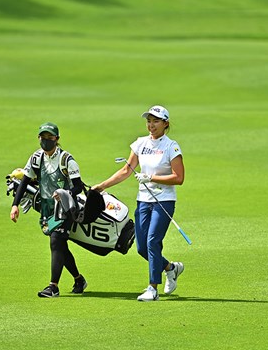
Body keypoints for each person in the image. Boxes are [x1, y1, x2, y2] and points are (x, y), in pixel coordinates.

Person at [92, 105, 185, 301]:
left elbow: (179, 177)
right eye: (149, 121)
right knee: (142, 247)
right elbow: (126, 171)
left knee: (153, 241)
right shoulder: (140, 143)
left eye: (156, 121)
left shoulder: (171, 146)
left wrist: (151, 177)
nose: (151, 125)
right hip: (143, 201)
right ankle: (171, 268)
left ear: (165, 123)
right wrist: (102, 185)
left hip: (163, 201)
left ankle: (153, 288)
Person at [10, 122, 87, 298]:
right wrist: (15, 205)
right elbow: (25, 181)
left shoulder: (67, 160)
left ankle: (53, 286)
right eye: (43, 137)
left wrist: (64, 193)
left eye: (50, 138)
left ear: (57, 139)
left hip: (66, 207)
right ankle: (78, 279)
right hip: (46, 208)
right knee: (60, 245)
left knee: (55, 241)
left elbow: (78, 187)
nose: (46, 141)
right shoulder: (36, 158)